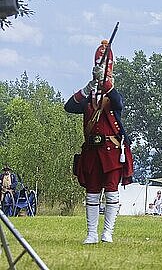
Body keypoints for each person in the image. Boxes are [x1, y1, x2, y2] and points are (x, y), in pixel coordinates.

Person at [64, 40, 134, 244]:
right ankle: (92, 234)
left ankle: (107, 233)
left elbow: (119, 102)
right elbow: (69, 107)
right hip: (92, 151)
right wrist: (88, 87)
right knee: (92, 193)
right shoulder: (89, 95)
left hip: (111, 150)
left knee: (111, 192)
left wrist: (106, 84)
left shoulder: (112, 94)